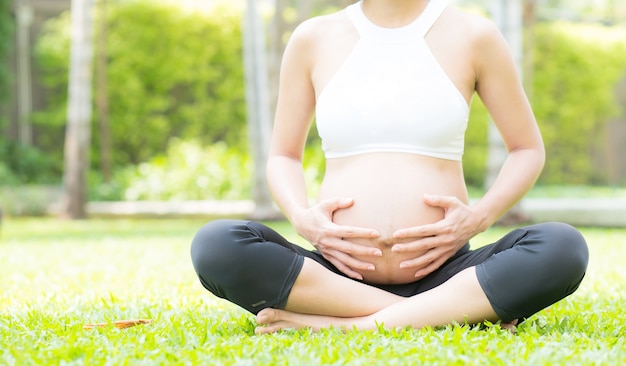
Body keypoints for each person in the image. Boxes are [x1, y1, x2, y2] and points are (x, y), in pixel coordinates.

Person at [190, 0, 589, 334]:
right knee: (216, 245)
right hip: (334, 275)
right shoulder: (314, 38)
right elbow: (283, 157)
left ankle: (349, 325)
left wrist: (478, 218)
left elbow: (526, 149)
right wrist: (302, 218)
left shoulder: (474, 36)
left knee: (563, 248)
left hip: (451, 272)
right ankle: (442, 315)